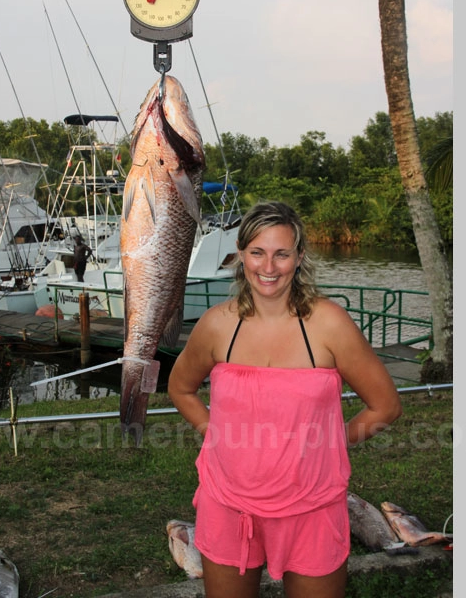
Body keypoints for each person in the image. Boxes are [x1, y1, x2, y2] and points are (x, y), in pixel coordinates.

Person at [168, 201, 402, 598]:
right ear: (241, 256)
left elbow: (385, 405)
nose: (269, 267)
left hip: (312, 507)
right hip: (228, 505)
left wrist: (329, 443)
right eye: (257, 253)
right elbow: (180, 388)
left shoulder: (329, 323)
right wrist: (216, 434)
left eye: (281, 253)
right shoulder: (217, 325)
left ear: (300, 257)